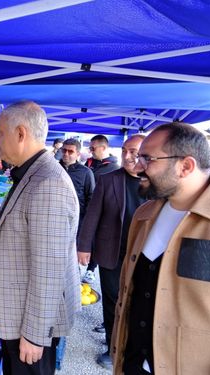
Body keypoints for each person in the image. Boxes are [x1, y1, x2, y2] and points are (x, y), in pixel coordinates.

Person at [112, 122, 210, 375]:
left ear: (186, 166)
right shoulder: (143, 215)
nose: (137, 167)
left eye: (148, 159)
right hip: (133, 365)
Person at [0, 101, 80, 375]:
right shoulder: (32, 174)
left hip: (31, 327)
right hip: (19, 314)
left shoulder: (48, 183)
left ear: (21, 134)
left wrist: (35, 335)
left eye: (1, 133)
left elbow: (49, 269)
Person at [77, 134, 146, 370]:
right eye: (125, 150)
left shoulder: (156, 183)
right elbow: (92, 215)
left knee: (137, 303)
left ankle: (133, 347)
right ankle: (112, 346)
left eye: (134, 152)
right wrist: (84, 246)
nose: (128, 156)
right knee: (112, 301)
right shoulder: (108, 180)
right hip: (111, 253)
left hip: (144, 256)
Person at [82, 134, 120, 284]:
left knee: (97, 238)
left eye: (93, 148)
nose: (90, 151)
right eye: (90, 148)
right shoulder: (89, 163)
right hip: (86, 207)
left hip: (102, 210)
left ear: (103, 148)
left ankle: (91, 269)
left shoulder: (114, 168)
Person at [59, 138, 95, 233]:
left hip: (77, 220)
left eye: (70, 151)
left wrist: (86, 222)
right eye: (64, 150)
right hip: (55, 217)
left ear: (78, 154)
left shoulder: (86, 172)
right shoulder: (54, 168)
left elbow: (91, 198)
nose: (66, 154)